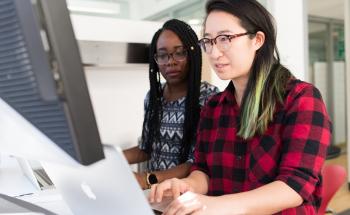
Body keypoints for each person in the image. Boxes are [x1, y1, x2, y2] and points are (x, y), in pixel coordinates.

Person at [148, 1, 332, 214]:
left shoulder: (301, 99)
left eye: (225, 39)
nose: (214, 53)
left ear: (258, 40)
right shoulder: (213, 107)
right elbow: (204, 170)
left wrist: (216, 205)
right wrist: (189, 185)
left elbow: (295, 185)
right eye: (208, 41)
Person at [123, 19, 219, 190]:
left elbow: (197, 162)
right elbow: (146, 148)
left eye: (179, 53)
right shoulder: (153, 97)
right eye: (162, 55)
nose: (170, 61)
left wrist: (147, 179)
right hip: (155, 196)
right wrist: (110, 159)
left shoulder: (209, 98)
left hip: (188, 196)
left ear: (192, 54)